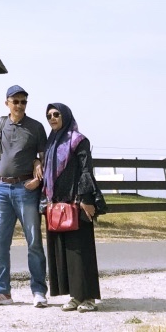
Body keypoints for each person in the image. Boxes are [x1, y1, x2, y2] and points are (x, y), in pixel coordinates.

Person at [0, 85, 48, 308]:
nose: (20, 105)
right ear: (7, 103)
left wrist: (38, 177)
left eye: (23, 102)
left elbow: (43, 157)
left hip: (26, 188)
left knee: (34, 242)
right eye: (16, 101)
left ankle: (39, 290)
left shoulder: (36, 127)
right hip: (1, 189)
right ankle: (2, 291)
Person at [42, 102, 107, 313]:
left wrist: (86, 198)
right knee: (65, 252)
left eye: (56, 114)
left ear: (66, 116)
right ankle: (74, 296)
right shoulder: (51, 143)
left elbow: (85, 170)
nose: (52, 118)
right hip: (57, 205)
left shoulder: (78, 140)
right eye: (49, 115)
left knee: (81, 251)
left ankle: (88, 297)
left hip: (77, 203)